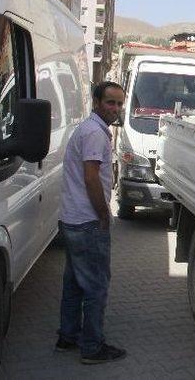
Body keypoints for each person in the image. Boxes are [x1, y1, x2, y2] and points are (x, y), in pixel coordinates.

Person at [56, 81, 126, 364]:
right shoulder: (96, 134)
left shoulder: (88, 129)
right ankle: (93, 348)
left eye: (120, 103)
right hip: (87, 222)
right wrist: (103, 215)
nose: (116, 108)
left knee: (74, 283)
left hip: (72, 220)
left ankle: (67, 337)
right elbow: (91, 177)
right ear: (96, 102)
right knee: (96, 286)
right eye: (110, 102)